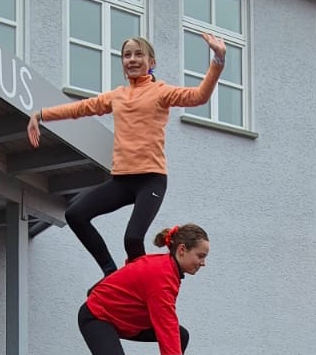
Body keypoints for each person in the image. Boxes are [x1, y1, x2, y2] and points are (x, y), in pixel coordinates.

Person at [27, 34, 225, 275]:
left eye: (138, 54)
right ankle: (111, 273)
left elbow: (199, 96)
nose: (132, 59)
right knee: (75, 214)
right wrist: (41, 114)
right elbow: (81, 108)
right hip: (122, 180)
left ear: (151, 62)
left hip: (151, 179)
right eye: (127, 55)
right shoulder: (117, 96)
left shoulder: (160, 91)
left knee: (132, 238)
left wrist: (218, 59)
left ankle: (139, 283)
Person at [78, 223, 208, 355]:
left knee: (181, 335)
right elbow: (167, 329)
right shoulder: (162, 275)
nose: (203, 263)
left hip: (123, 320)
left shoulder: (168, 268)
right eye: (200, 256)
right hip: (97, 317)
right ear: (182, 250)